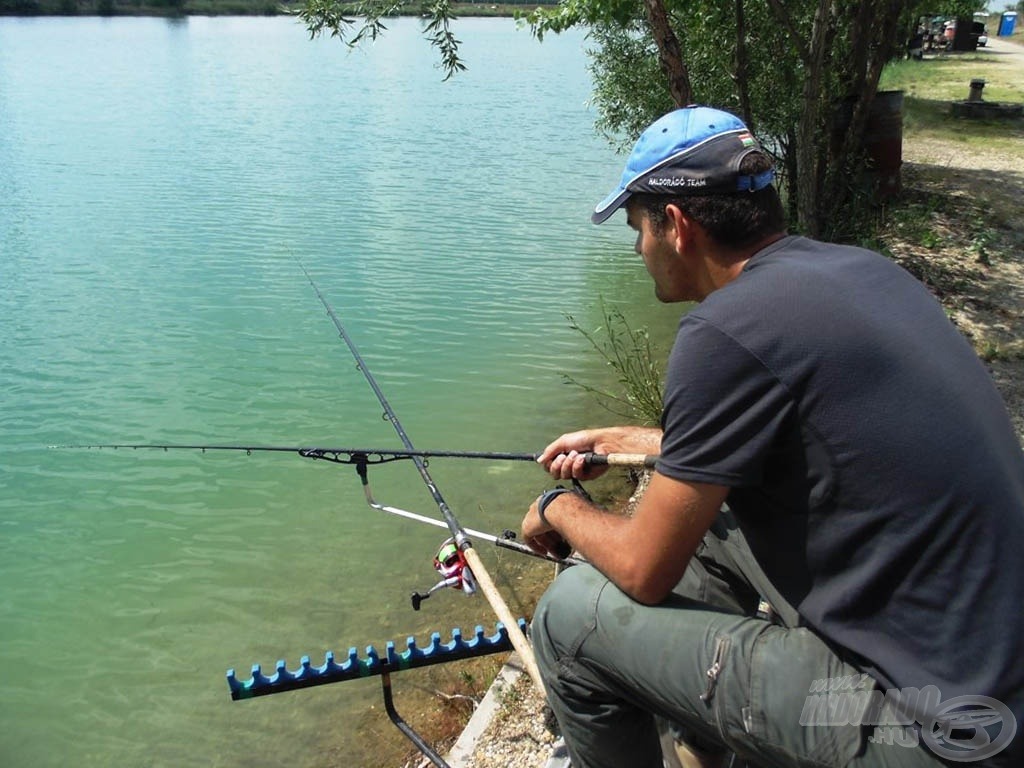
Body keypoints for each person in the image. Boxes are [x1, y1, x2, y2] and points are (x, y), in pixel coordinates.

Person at [520, 106, 1024, 768]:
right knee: (725, 512)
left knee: (566, 618)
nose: (637, 249)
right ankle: (709, 738)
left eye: (636, 229)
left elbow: (645, 570)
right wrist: (641, 441)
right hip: (998, 687)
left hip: (926, 731)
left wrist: (560, 509)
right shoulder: (860, 272)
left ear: (676, 227)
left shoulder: (721, 332)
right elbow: (791, 439)